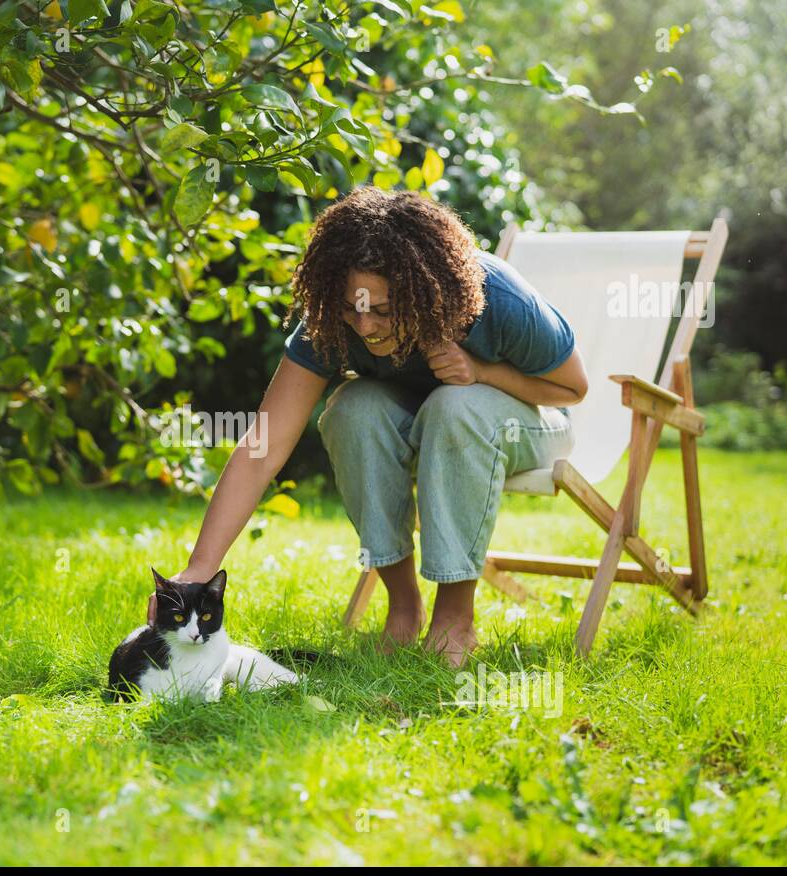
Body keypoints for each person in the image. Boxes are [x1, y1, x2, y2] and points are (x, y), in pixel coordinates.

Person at [149, 187, 588, 666]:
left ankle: (455, 615)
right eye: (350, 307)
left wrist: (482, 373)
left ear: (428, 291)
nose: (364, 326)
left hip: (529, 424)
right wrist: (198, 569)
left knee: (454, 407)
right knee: (352, 410)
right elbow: (263, 446)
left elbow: (571, 388)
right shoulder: (332, 323)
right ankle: (403, 606)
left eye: (382, 310)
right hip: (429, 423)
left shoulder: (498, 300)